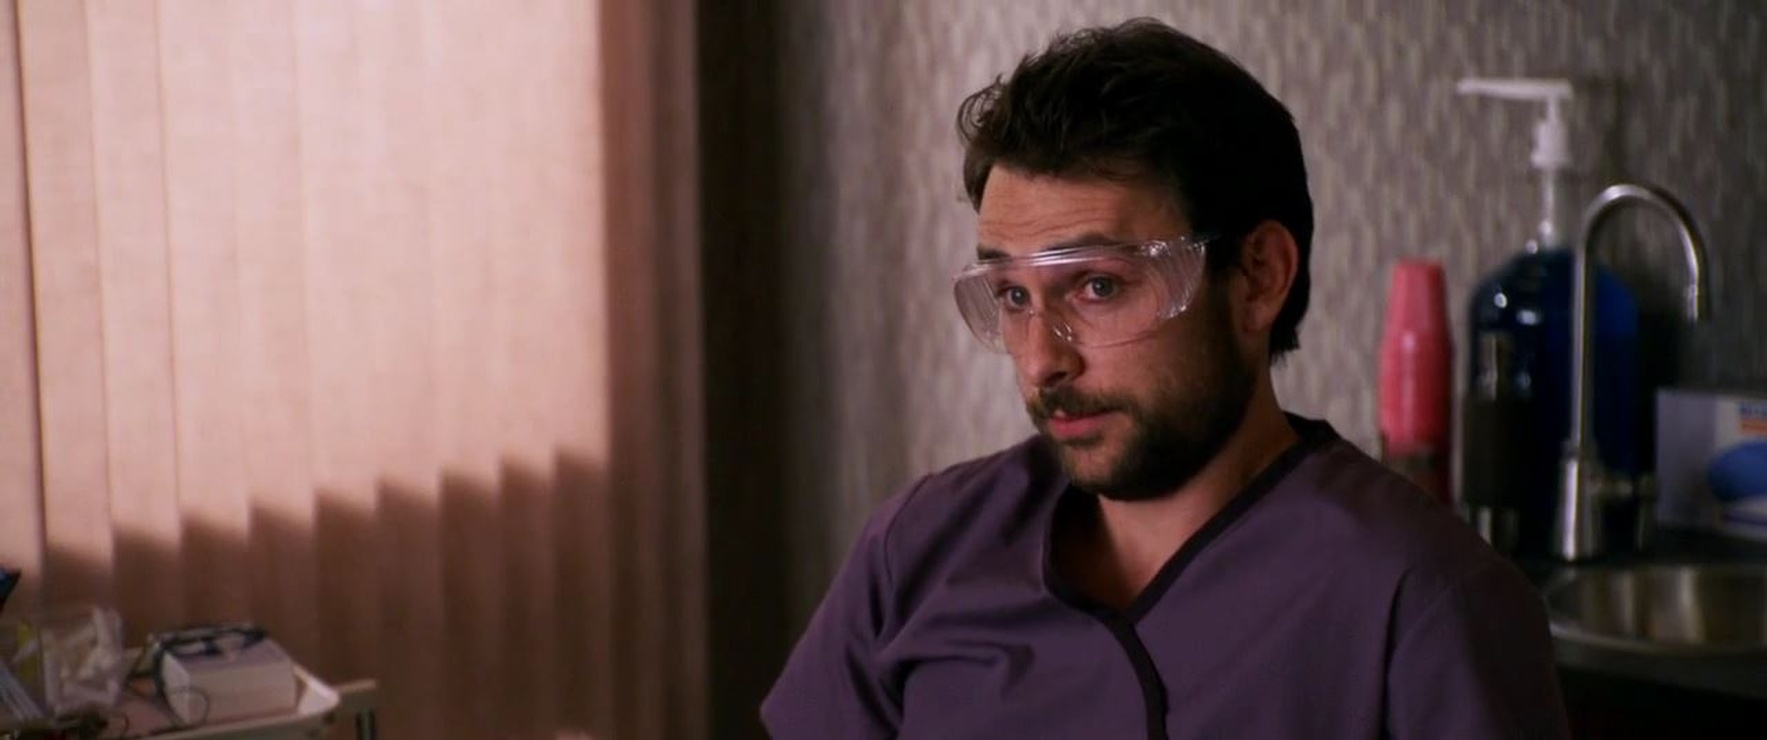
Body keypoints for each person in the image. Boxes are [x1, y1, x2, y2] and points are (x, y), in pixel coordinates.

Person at [762, 18, 1569, 740]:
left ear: (1257, 277)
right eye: (1012, 296)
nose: (1041, 360)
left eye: (1097, 286)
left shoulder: (1423, 602)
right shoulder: (920, 549)